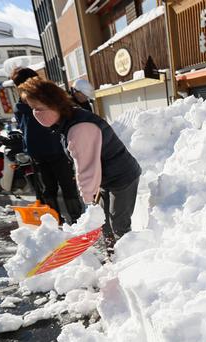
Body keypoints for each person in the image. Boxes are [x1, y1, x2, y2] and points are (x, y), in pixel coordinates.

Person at [19, 77, 141, 246]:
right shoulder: (68, 118)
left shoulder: (79, 129)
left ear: (53, 103)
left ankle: (129, 259)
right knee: (103, 222)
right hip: (107, 177)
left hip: (123, 177)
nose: (35, 114)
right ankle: (112, 255)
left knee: (118, 223)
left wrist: (88, 201)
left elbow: (87, 171)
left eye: (38, 108)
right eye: (32, 108)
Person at [10, 67, 83, 224]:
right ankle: (66, 220)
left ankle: (63, 221)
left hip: (47, 150)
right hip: (47, 151)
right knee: (58, 187)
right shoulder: (30, 103)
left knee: (53, 188)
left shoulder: (25, 104)